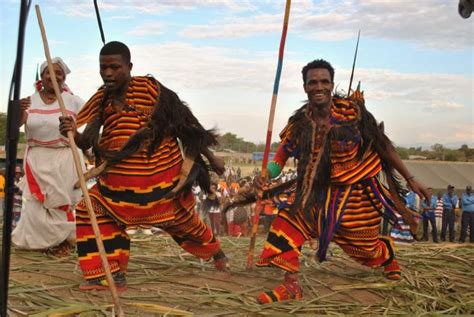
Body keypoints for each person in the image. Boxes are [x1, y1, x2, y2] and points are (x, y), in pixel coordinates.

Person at [253, 59, 429, 304]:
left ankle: (387, 255)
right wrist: (265, 175)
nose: (319, 87)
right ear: (305, 87)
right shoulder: (300, 123)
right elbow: (282, 154)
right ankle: (291, 286)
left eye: (324, 81)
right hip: (315, 194)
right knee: (285, 223)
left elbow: (382, 144)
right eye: (312, 82)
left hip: (355, 196)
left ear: (332, 84)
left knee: (365, 250)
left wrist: (410, 179)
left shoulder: (352, 112)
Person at [59, 41, 228, 290]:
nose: (107, 73)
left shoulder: (151, 89)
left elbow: (186, 125)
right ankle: (110, 274)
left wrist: (212, 159)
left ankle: (218, 254)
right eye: (103, 68)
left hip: (159, 186)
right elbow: (88, 140)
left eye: (114, 67)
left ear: (129, 66)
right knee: (89, 209)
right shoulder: (102, 99)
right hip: (116, 190)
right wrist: (72, 132)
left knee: (186, 224)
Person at [12, 57, 85, 256]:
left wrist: (76, 131)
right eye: (48, 73)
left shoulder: (73, 101)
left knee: (62, 203)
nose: (54, 76)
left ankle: (66, 242)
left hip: (65, 158)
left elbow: (91, 127)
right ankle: (40, 242)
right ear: (42, 77)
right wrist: (16, 110)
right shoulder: (30, 101)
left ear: (64, 77)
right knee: (35, 206)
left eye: (58, 73)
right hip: (37, 159)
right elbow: (14, 128)